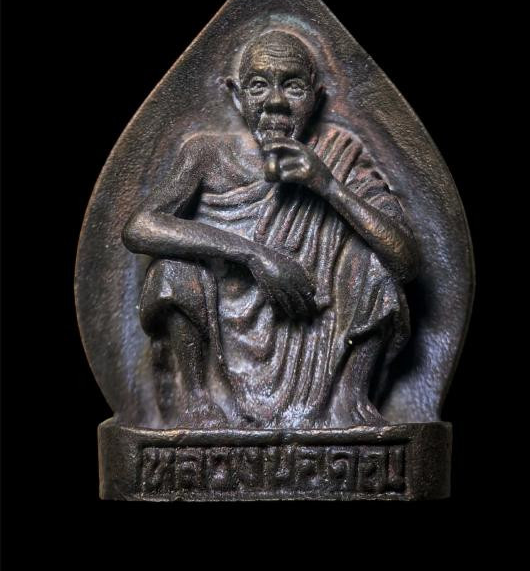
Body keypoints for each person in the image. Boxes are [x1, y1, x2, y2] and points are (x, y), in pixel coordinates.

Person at [122, 30, 419, 428]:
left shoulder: (339, 154)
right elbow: (139, 227)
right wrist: (252, 254)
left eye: (293, 87)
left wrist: (327, 186)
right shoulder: (206, 153)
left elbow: (405, 261)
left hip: (314, 320)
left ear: (316, 97)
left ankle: (349, 400)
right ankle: (196, 401)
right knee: (172, 270)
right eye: (259, 86)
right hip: (221, 321)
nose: (275, 102)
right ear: (236, 95)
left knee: (374, 263)